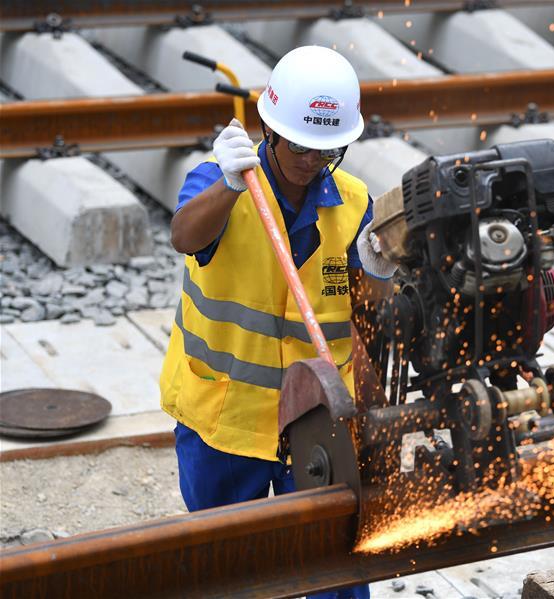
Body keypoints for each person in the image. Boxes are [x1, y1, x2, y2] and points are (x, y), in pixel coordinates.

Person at [159, 46, 395, 599]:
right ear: (269, 127)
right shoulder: (219, 182)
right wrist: (230, 185)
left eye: (326, 148)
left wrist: (382, 271)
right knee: (224, 569)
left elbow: (371, 317)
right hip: (224, 419)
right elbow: (184, 237)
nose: (311, 160)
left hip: (317, 421)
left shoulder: (355, 203)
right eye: (299, 145)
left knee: (334, 565)